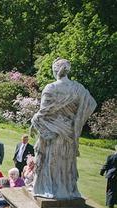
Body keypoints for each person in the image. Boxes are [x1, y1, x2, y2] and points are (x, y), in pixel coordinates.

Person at [31, 58, 96, 199]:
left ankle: (51, 189)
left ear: (55, 70)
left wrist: (34, 119)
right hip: (69, 132)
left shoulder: (51, 88)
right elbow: (91, 104)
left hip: (53, 131)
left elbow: (43, 112)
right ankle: (66, 190)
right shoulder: (78, 88)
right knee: (66, 163)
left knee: (51, 160)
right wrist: (76, 120)